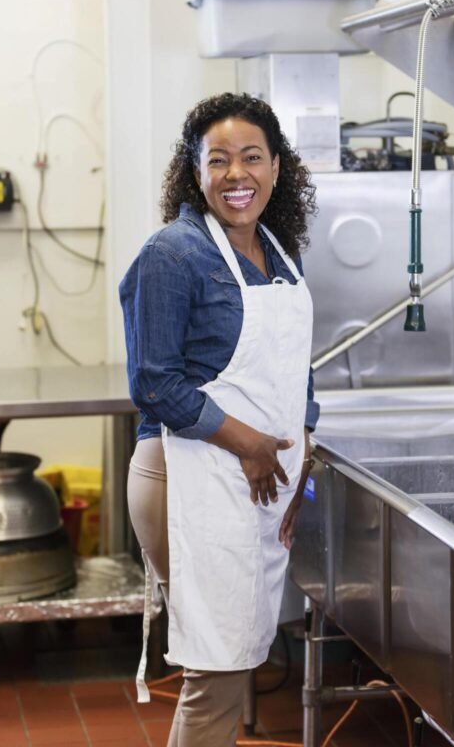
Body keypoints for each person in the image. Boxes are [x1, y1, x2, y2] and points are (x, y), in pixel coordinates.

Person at [120, 92, 319, 747]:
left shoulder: (275, 249)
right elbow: (155, 382)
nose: (237, 175)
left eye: (252, 158)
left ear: (277, 167)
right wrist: (252, 446)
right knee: (217, 669)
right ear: (195, 171)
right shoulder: (172, 254)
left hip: (258, 477)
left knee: (239, 657)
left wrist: (300, 449)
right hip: (188, 473)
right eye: (219, 160)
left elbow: (294, 367)